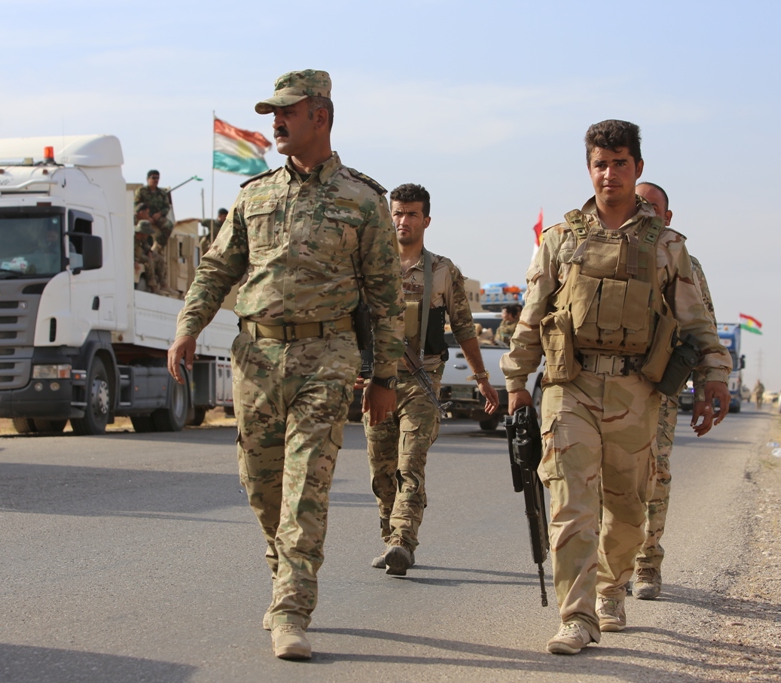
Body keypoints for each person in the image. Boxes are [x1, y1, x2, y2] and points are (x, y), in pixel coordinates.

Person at [167, 69, 404, 661]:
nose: (275, 122)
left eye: (286, 113)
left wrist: (384, 378)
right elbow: (217, 269)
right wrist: (187, 326)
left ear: (319, 116)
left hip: (327, 357)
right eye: (273, 113)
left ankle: (292, 608)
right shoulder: (255, 195)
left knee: (305, 489)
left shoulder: (364, 200)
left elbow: (385, 298)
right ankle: (285, 573)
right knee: (262, 485)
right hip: (256, 357)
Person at [500, 120, 732, 655]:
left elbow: (695, 322)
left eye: (620, 163)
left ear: (638, 168)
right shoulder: (560, 240)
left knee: (628, 512)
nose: (610, 174)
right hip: (570, 385)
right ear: (589, 169)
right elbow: (531, 318)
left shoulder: (668, 247)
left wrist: (714, 376)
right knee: (571, 505)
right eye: (600, 164)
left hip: (636, 392)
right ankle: (576, 617)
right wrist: (516, 382)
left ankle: (612, 588)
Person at [364, 183, 499, 576]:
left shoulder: (442, 271)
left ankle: (403, 541)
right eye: (397, 213)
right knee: (380, 467)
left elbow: (463, 326)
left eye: (410, 214)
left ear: (426, 220)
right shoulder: (373, 264)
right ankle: (390, 537)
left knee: (411, 462)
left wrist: (482, 378)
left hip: (421, 382)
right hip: (378, 382)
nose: (402, 221)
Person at [631, 181, 718, 601]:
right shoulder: (606, 247)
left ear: (667, 218)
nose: (644, 210)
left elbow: (703, 327)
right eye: (639, 204)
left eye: (653, 207)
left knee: (654, 473)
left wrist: (706, 385)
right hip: (606, 383)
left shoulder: (685, 263)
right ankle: (605, 566)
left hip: (661, 386)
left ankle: (647, 563)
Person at [133, 219, 158, 290]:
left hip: (140, 256)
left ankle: (162, 283)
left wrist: (149, 252)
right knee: (148, 261)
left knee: (158, 259)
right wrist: (135, 261)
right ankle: (152, 284)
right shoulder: (132, 239)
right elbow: (129, 252)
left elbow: (146, 246)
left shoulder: (142, 238)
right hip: (135, 257)